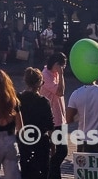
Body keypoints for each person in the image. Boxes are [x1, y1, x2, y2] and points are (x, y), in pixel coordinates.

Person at [65, 69, 98, 154]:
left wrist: (80, 116)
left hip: (83, 139)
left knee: (83, 166)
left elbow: (68, 119)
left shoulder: (76, 94)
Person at [18, 67, 53, 179]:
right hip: (40, 141)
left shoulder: (18, 99)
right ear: (39, 83)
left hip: (24, 139)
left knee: (25, 171)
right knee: (42, 172)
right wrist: (53, 146)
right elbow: (50, 126)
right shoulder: (44, 102)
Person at [39, 51, 67, 179]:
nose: (63, 69)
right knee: (62, 150)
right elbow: (60, 92)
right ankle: (51, 170)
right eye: (61, 66)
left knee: (55, 149)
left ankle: (54, 174)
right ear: (56, 64)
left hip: (60, 117)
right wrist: (61, 75)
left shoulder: (54, 74)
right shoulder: (46, 76)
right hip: (53, 119)